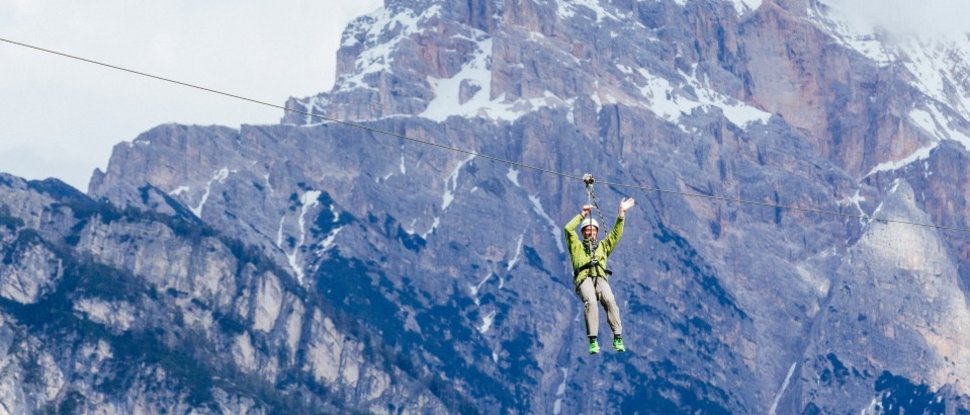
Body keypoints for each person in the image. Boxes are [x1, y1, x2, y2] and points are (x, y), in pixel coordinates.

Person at [564, 197, 635, 354]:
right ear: (583, 233)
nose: (591, 232)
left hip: (600, 278)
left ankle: (617, 336)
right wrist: (582, 215)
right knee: (591, 302)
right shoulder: (576, 246)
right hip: (584, 279)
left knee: (610, 300)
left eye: (593, 230)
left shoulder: (603, 246)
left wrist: (621, 213)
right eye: (587, 230)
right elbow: (568, 229)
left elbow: (616, 234)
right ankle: (593, 340)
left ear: (596, 233)